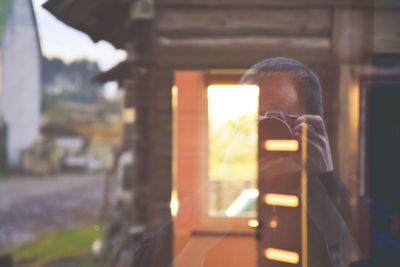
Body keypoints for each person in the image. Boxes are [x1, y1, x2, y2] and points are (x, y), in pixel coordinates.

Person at [132, 57, 359, 267]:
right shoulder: (220, 209)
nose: (264, 133)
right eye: (251, 120)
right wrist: (224, 186)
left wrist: (325, 183)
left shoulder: (349, 213)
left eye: (276, 119)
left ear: (310, 127)